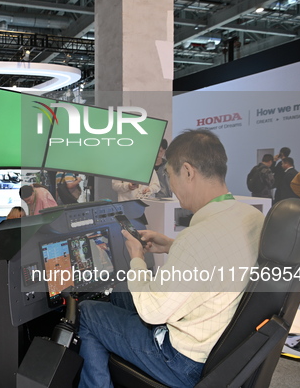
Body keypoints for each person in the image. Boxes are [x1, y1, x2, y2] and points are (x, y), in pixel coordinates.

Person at [78, 129, 265, 388]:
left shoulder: (198, 237)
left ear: (187, 172)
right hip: (223, 345)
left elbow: (152, 311)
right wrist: (172, 246)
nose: (171, 187)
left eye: (170, 176)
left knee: (88, 311)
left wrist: (136, 258)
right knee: (121, 293)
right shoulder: (250, 216)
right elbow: (221, 256)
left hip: (184, 361)